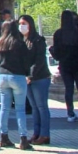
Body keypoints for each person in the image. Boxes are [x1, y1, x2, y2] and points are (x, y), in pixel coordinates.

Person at [49, 9, 78, 123]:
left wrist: (59, 57)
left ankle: (70, 113)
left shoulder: (58, 34)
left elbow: (56, 51)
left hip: (65, 65)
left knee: (68, 89)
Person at [0, 21, 32, 150]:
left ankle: (3, 136)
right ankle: (23, 139)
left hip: (3, 76)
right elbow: (26, 62)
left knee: (4, 108)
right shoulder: (19, 43)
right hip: (18, 76)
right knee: (20, 109)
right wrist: (27, 74)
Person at [19, 15, 51, 145]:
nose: (21, 26)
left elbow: (39, 61)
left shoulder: (38, 40)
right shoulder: (21, 40)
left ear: (30, 25)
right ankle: (36, 133)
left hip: (40, 78)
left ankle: (45, 134)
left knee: (42, 106)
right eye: (20, 23)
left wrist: (30, 76)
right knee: (34, 107)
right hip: (26, 79)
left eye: (24, 23)